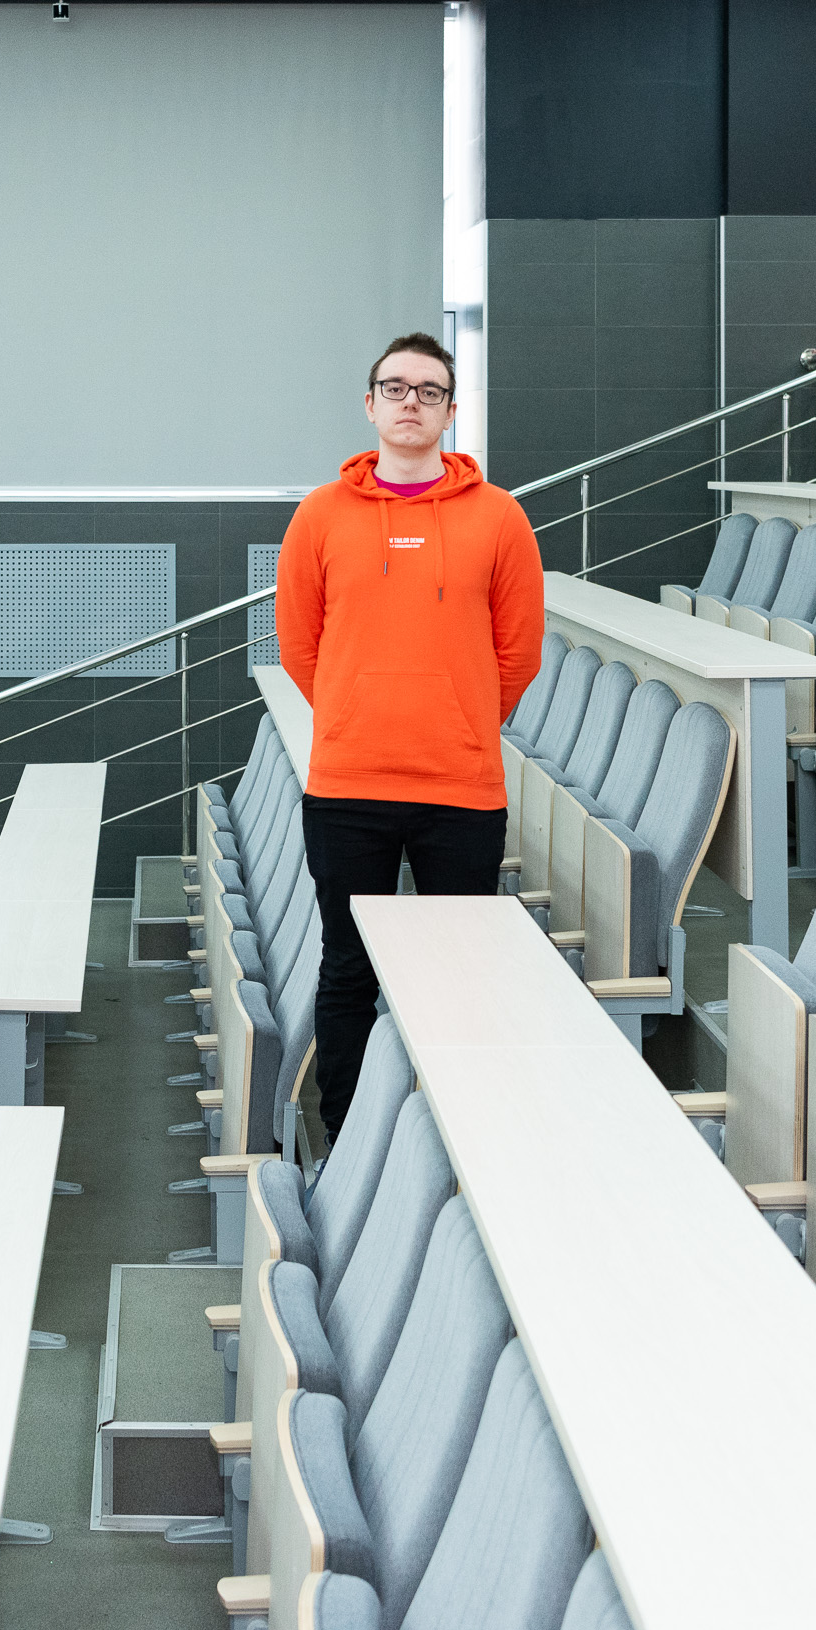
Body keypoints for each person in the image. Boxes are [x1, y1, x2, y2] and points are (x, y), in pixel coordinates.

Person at [275, 331, 546, 1141]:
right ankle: (349, 1144)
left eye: (430, 392)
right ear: (371, 405)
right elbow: (298, 645)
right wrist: (355, 713)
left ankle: (455, 1139)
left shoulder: (500, 518)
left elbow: (519, 651)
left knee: (460, 978)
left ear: (450, 412)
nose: (411, 403)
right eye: (395, 388)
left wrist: (458, 719)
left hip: (460, 791)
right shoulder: (320, 516)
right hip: (347, 788)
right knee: (347, 971)